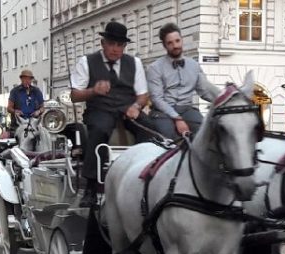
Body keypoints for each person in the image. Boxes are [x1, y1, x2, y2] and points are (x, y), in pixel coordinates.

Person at [70, 21, 157, 207]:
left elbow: (142, 95)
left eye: (120, 45)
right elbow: (74, 95)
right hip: (100, 109)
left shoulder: (135, 63)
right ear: (103, 43)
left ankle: (144, 176)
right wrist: (93, 91)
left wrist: (136, 106)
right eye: (111, 44)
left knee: (150, 128)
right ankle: (91, 187)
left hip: (127, 109)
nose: (115, 49)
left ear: (124, 46)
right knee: (99, 129)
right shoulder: (87, 62)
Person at [146, 22, 220, 140]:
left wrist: (225, 98)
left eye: (177, 41)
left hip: (187, 109)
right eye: (170, 43)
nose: (175, 46)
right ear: (164, 45)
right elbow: (157, 99)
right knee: (169, 136)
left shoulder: (194, 65)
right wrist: (177, 118)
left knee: (207, 133)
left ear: (182, 40)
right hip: (162, 113)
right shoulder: (154, 68)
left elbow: (205, 91)